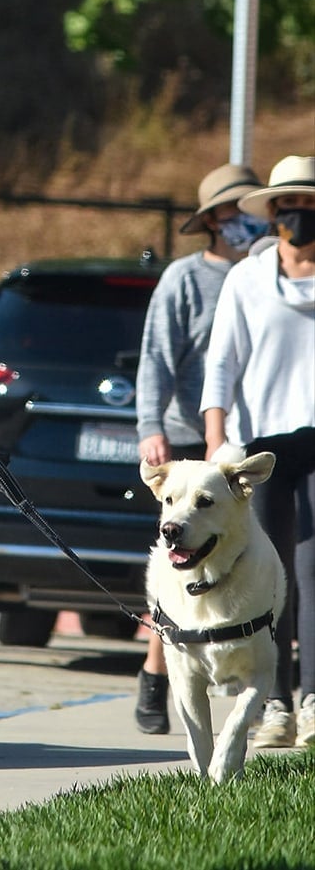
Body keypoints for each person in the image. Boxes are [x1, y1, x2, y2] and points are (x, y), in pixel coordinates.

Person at [134, 163, 269, 734]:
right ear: (212, 220)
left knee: (250, 565)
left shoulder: (269, 275)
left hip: (253, 441)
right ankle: (155, 671)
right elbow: (156, 357)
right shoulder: (185, 279)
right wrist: (151, 426)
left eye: (250, 210)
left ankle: (260, 684)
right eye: (232, 211)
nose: (242, 221)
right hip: (189, 446)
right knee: (179, 573)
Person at [201, 154, 315, 750]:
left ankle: (314, 702)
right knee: (267, 576)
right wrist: (217, 442)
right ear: (272, 214)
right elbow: (222, 361)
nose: (299, 215)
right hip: (258, 447)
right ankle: (275, 703)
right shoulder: (248, 278)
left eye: (309, 204)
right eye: (288, 205)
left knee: (312, 567)